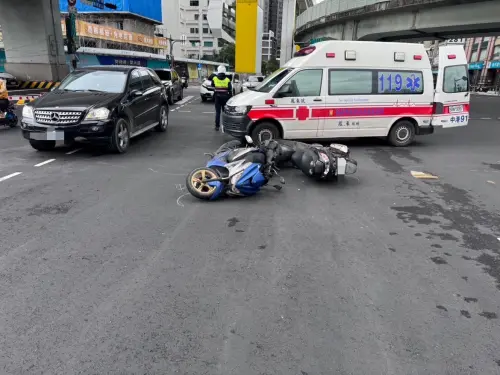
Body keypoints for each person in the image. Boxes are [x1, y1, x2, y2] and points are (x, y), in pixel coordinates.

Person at [211, 65, 232, 131]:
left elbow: (212, 85)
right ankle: (225, 126)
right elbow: (230, 89)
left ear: (218, 71)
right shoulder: (227, 79)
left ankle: (217, 126)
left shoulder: (215, 78)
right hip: (225, 98)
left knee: (218, 112)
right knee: (224, 113)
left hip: (217, 97)